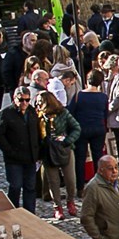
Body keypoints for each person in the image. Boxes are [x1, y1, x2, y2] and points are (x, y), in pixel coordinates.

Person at [37, 90, 82, 219]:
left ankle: (70, 202)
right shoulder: (39, 116)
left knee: (70, 179)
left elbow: (76, 128)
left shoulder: (63, 113)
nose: (38, 105)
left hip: (64, 149)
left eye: (40, 102)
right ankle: (57, 206)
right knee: (53, 181)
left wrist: (67, 141)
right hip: (48, 152)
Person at [70, 69, 111, 178]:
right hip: (98, 128)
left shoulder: (79, 96)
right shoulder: (103, 97)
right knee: (98, 156)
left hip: (82, 129)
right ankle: (99, 182)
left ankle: (80, 187)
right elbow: (105, 114)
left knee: (80, 158)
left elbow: (71, 113)